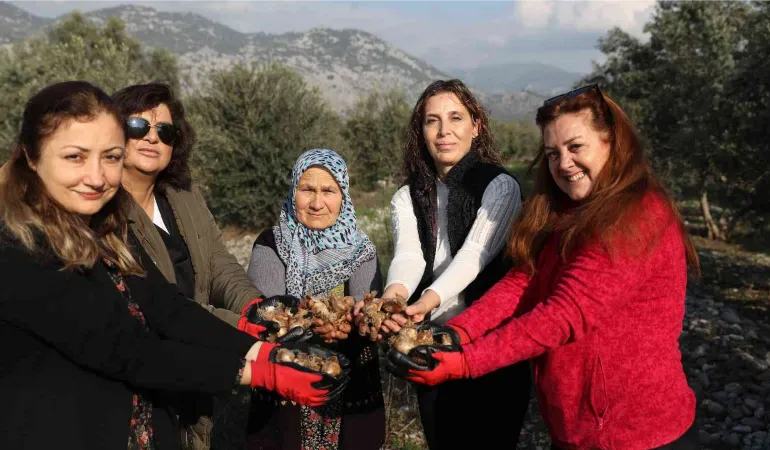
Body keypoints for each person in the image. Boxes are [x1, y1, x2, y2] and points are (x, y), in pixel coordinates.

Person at [0, 81, 342, 450]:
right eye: (75, 157)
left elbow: (167, 307)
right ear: (32, 157)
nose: (96, 176)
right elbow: (128, 350)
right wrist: (261, 373)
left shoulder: (102, 228)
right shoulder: (17, 246)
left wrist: (263, 349)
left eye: (110, 157)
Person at [389, 84, 701, 449]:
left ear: (612, 142)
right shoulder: (567, 211)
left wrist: (465, 362)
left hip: (636, 432)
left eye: (575, 147)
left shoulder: (635, 218)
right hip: (579, 428)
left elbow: (563, 314)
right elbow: (523, 282)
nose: (563, 163)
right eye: (552, 153)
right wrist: (455, 334)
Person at [361, 79, 531, 450]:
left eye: (456, 118)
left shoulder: (499, 186)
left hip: (491, 341)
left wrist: (425, 301)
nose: (444, 131)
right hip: (432, 340)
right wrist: (394, 298)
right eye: (432, 120)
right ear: (420, 131)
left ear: (476, 125)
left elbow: (475, 256)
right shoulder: (407, 195)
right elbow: (409, 256)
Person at [112, 82, 267, 449]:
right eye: (138, 127)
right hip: (145, 375)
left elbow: (217, 260)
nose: (152, 138)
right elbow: (162, 308)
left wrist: (256, 308)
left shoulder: (183, 195)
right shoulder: (106, 211)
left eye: (164, 131)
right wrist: (245, 332)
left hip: (199, 361)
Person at [245, 149, 385, 450]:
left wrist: (351, 323)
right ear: (294, 190)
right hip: (287, 379)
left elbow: (366, 306)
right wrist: (314, 321)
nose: (317, 202)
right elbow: (270, 312)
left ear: (343, 195)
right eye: (307, 189)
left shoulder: (361, 250)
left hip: (349, 381)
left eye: (328, 191)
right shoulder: (271, 243)